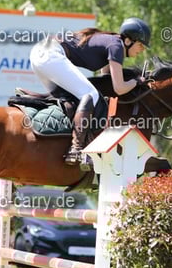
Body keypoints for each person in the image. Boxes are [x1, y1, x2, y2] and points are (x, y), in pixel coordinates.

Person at [30, 17, 151, 166]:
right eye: (141, 45)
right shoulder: (116, 46)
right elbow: (119, 88)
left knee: (68, 99)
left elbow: (105, 77)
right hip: (50, 54)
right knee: (90, 95)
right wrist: (137, 81)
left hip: (40, 53)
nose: (142, 50)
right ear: (128, 41)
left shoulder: (112, 43)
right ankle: (76, 149)